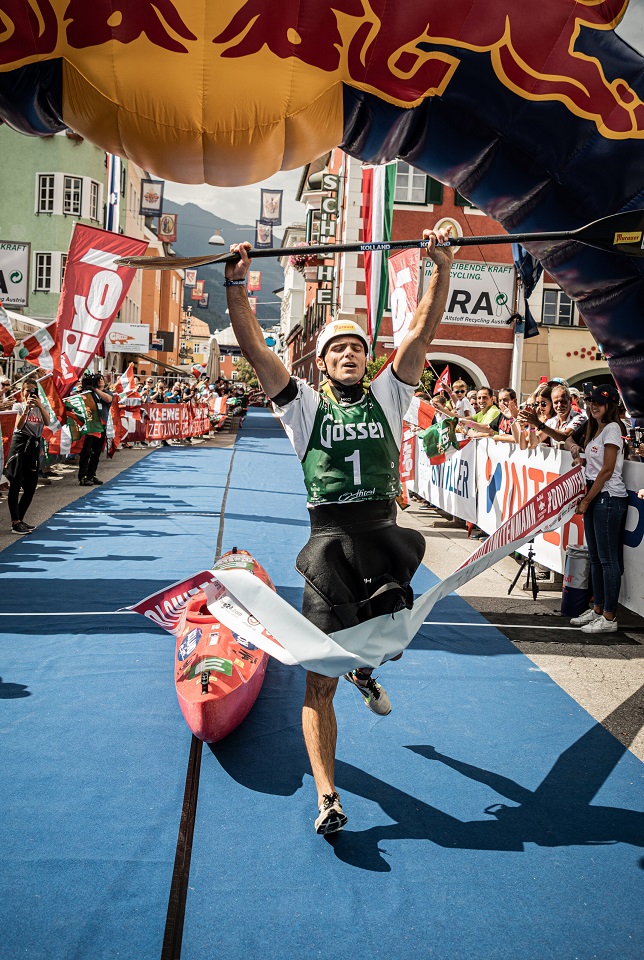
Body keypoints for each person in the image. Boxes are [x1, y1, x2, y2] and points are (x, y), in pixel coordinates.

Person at [225, 227, 454, 835]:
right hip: (328, 547)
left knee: (388, 644)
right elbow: (253, 349)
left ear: (367, 359)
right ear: (322, 362)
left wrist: (440, 266)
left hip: (383, 541)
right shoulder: (298, 403)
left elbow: (422, 331)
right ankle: (328, 796)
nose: (350, 354)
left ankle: (362, 663)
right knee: (316, 681)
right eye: (338, 350)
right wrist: (235, 284)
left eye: (357, 348)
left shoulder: (390, 393)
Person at [567, 384, 629, 634]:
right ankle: (598, 610)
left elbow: (607, 470)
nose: (594, 406)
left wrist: (587, 500)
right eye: (591, 401)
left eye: (599, 403)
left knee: (607, 560)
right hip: (597, 496)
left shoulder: (613, 428)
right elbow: (594, 466)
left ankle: (609, 616)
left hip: (608, 497)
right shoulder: (596, 429)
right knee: (596, 558)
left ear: (610, 406)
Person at [6, 377, 50, 533]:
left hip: (34, 445)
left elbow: (48, 421)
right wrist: (26, 409)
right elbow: (18, 425)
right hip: (19, 444)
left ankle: (20, 519)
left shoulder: (42, 406)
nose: (30, 394)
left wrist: (39, 405)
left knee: (31, 487)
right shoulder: (18, 405)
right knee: (15, 484)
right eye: (27, 391)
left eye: (33, 391)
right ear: (22, 392)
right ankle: (15, 521)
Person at [520, 383, 586, 445]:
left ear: (570, 401)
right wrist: (532, 425)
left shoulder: (579, 417)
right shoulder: (552, 421)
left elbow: (565, 436)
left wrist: (537, 423)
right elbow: (533, 443)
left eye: (563, 401)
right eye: (556, 402)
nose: (559, 405)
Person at [78, 373, 113, 486]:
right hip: (89, 427)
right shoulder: (87, 394)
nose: (99, 381)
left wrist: (95, 389)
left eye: (100, 379)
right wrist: (84, 390)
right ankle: (83, 476)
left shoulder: (106, 393)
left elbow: (108, 400)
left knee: (96, 453)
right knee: (86, 452)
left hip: (101, 427)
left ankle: (91, 475)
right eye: (96, 380)